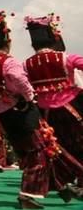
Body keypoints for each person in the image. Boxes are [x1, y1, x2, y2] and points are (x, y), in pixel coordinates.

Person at [0, 11, 83, 208]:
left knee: (42, 149)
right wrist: (28, 96)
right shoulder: (13, 62)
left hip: (9, 117)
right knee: (38, 151)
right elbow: (20, 80)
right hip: (26, 112)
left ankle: (63, 186)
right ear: (7, 40)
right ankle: (27, 195)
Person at [23, 15, 83, 165]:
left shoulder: (26, 65)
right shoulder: (66, 58)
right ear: (52, 38)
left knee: (58, 145)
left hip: (46, 113)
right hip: (72, 107)